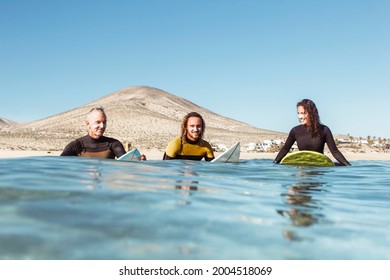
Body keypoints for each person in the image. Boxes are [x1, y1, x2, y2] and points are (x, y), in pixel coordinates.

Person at [274, 99, 350, 166]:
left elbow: (335, 152)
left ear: (311, 113)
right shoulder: (295, 131)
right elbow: (285, 149)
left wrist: (348, 166)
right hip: (302, 168)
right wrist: (274, 163)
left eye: (303, 113)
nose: (300, 116)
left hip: (319, 168)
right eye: (298, 113)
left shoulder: (324, 130)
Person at [61, 107, 146, 160]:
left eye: (104, 122)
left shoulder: (113, 144)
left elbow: (126, 165)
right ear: (88, 124)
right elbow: (59, 166)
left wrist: (139, 162)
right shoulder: (75, 145)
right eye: (98, 122)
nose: (102, 126)